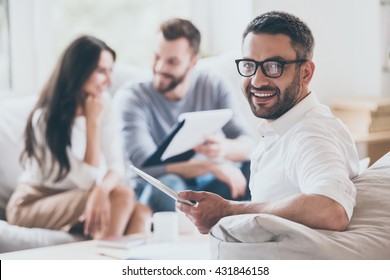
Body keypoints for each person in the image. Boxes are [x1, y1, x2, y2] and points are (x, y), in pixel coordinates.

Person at [177, 11, 360, 234]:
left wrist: (228, 210)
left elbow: (331, 210)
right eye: (249, 65)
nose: (257, 80)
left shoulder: (310, 134)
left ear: (306, 73)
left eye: (274, 66)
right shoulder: (284, 129)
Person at [6, 35, 151, 239]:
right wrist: (92, 123)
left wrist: (101, 191)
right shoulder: (44, 119)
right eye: (101, 71)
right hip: (32, 202)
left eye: (110, 71)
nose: (109, 81)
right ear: (78, 71)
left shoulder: (104, 103)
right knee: (121, 196)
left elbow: (117, 167)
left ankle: (119, 265)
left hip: (78, 196)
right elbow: (87, 180)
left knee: (141, 212)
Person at [115, 18, 256, 213]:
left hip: (209, 186)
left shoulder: (213, 84)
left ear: (193, 62)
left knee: (253, 171)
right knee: (169, 184)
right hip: (162, 189)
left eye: (172, 61)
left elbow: (249, 144)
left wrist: (224, 149)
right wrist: (210, 166)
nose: (160, 67)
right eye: (157, 57)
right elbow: (145, 167)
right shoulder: (132, 98)